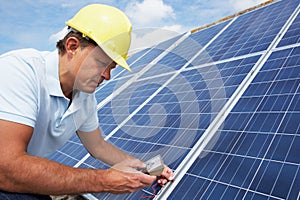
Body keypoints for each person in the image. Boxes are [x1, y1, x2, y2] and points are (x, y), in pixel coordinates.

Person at [0, 4, 174, 199]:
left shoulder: (84, 97)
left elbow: (97, 145)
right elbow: (6, 169)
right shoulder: (19, 71)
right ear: (72, 46)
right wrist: (103, 180)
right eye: (101, 63)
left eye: (112, 67)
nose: (107, 75)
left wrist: (145, 167)